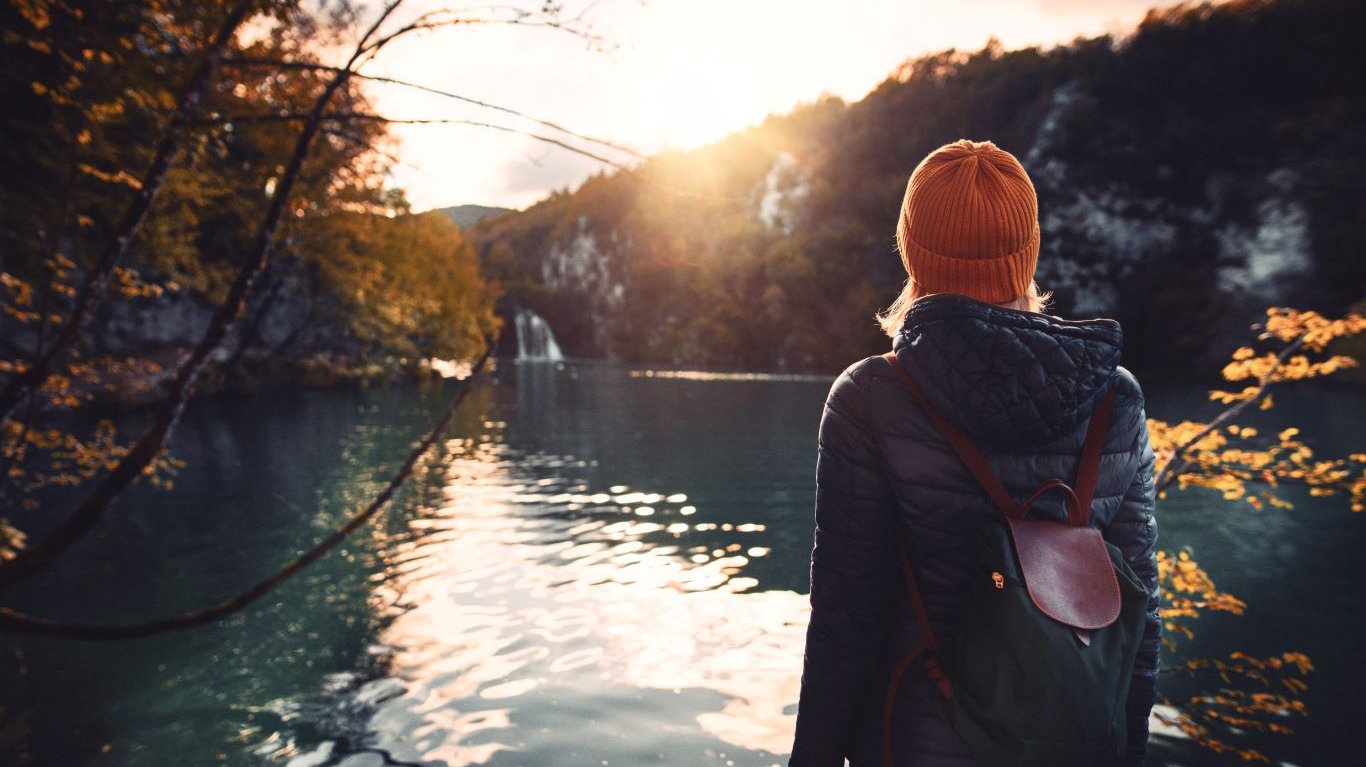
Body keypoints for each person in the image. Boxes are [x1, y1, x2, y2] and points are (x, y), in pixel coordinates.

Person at [788, 139, 1160, 766]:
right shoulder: (1114, 399)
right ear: (1028, 254)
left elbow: (847, 621)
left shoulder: (871, 397)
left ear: (912, 250)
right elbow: (1138, 619)